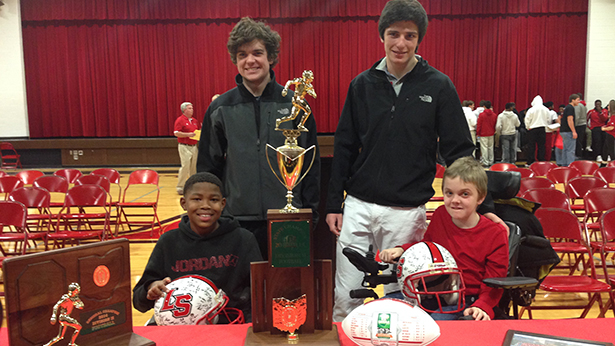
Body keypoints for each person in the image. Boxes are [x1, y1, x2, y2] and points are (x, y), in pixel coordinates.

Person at [325, 0, 475, 322]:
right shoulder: (362, 85)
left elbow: (459, 150)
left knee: (401, 299)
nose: (401, 43)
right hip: (358, 208)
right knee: (346, 295)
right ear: (382, 36)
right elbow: (345, 146)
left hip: (406, 214)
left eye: (410, 35)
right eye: (394, 34)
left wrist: (474, 203)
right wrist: (333, 204)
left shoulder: (438, 86)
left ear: (419, 39)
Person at [196, 17, 320, 259]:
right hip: (236, 222)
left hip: (287, 219)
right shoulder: (220, 109)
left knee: (286, 292)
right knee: (241, 293)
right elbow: (208, 169)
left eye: (257, 53)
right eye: (242, 55)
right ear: (235, 60)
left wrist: (310, 214)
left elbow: (311, 166)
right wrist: (217, 215)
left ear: (271, 57)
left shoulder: (295, 104)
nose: (250, 60)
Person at [380, 156, 509, 320]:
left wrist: (482, 305)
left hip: (468, 300)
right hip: (432, 292)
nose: (455, 200)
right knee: (382, 310)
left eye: (465, 194)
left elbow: (495, 281)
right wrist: (402, 250)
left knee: (434, 323)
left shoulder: (495, 233)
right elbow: (427, 247)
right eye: (449, 193)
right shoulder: (441, 214)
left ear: (481, 197)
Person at [133, 172, 263, 323]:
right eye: (197, 199)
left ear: (223, 204)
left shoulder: (243, 239)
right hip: (180, 327)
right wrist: (152, 288)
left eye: (213, 200)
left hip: (231, 323)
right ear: (183, 203)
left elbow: (260, 292)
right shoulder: (168, 242)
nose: (205, 205)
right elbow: (138, 302)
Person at [174, 102, 201, 195]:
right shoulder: (180, 120)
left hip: (194, 146)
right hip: (184, 146)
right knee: (185, 166)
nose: (192, 109)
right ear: (184, 110)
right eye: (189, 108)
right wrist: (187, 135)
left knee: (193, 167)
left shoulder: (194, 121)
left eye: (192, 108)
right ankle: (180, 186)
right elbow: (176, 133)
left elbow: (196, 131)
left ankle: (193, 185)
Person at [523, 95, 550, 165]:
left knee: (531, 146)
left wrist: (528, 127)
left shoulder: (531, 109)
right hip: (542, 129)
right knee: (541, 146)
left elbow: (527, 119)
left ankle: (530, 161)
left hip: (533, 129)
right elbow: (548, 119)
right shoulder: (546, 109)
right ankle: (541, 160)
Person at [561, 94, 581, 166]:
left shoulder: (567, 107)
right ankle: (570, 166)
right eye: (578, 100)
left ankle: (564, 165)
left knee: (565, 149)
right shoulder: (570, 108)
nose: (579, 102)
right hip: (568, 131)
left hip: (563, 131)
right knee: (570, 150)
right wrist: (574, 131)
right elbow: (570, 120)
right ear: (573, 100)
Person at [476, 101, 497, 167]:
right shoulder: (494, 115)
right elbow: (495, 124)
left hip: (483, 133)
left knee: (484, 148)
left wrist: (478, 133)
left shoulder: (481, 115)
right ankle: (491, 161)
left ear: (484, 106)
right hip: (491, 133)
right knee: (491, 147)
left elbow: (479, 125)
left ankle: (485, 162)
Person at [574, 93, 588, 158]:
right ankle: (579, 155)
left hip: (578, 125)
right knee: (580, 140)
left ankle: (577, 155)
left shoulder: (578, 105)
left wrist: (574, 125)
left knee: (577, 141)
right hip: (583, 124)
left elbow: (577, 116)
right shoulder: (584, 105)